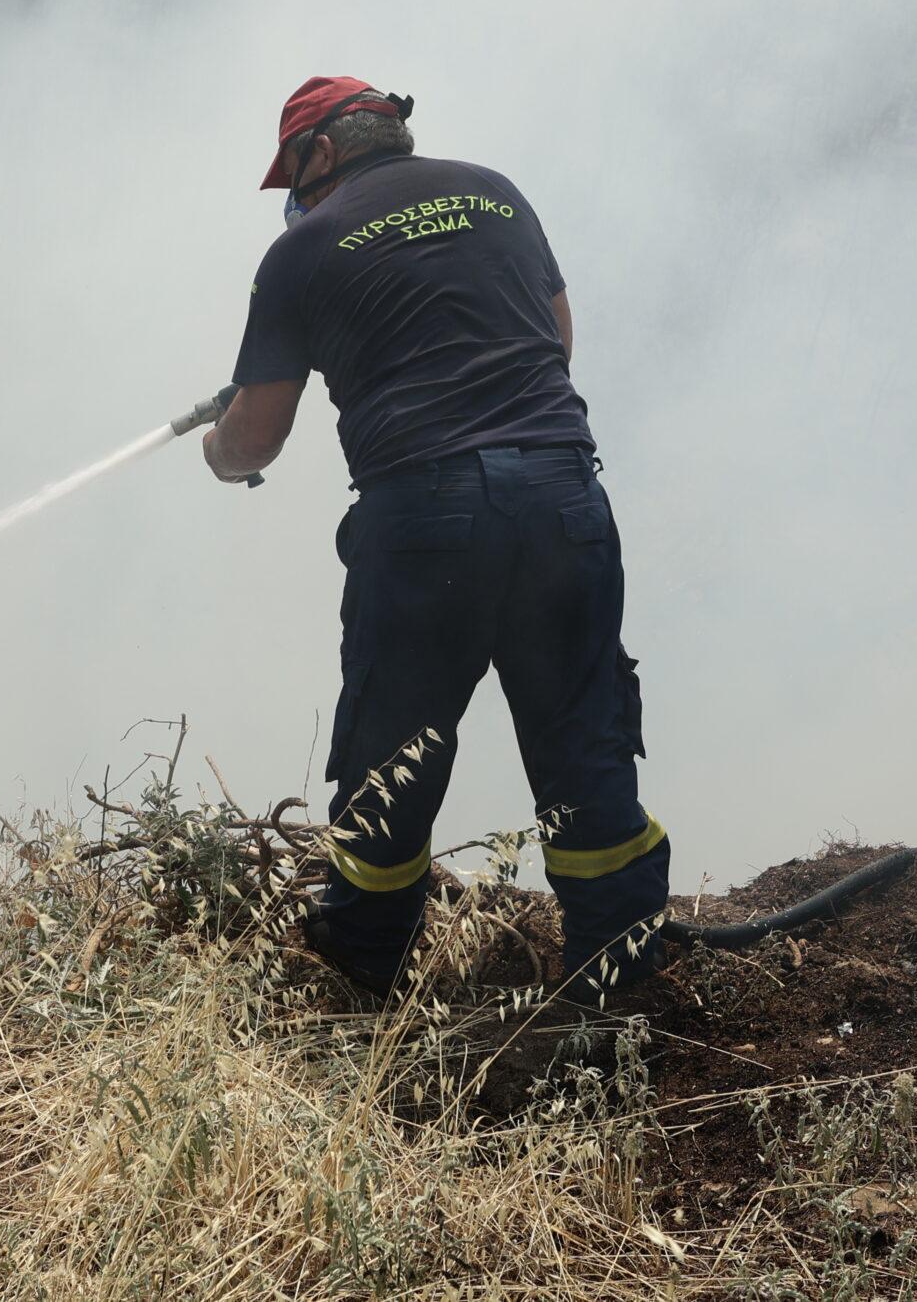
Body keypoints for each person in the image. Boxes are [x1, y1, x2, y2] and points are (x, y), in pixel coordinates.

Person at [202, 75, 669, 1004]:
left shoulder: (301, 248)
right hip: (564, 498)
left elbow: (255, 435)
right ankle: (617, 1000)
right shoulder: (498, 192)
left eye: (293, 173)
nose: (292, 197)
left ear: (323, 152)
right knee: (585, 750)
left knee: (391, 763)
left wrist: (221, 443)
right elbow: (556, 335)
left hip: (426, 524)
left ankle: (360, 990)